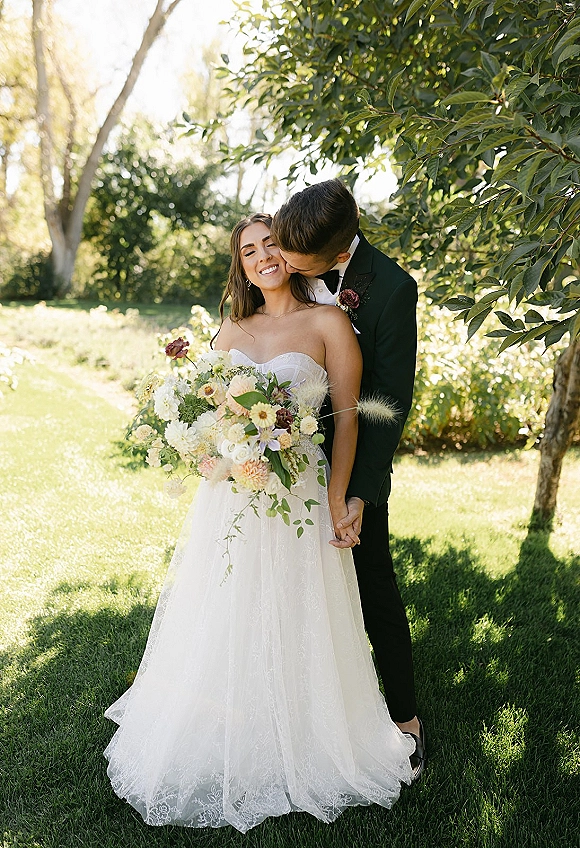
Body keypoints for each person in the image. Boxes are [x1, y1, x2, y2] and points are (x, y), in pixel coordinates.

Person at [104, 212, 414, 832]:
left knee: (302, 610)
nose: (263, 257)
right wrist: (206, 453)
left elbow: (349, 417)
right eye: (249, 251)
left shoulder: (329, 321)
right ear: (240, 266)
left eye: (270, 243)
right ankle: (233, 724)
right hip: (234, 499)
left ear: (292, 252)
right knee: (231, 606)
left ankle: (311, 730)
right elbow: (206, 413)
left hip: (299, 492)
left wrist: (338, 496)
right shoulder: (229, 331)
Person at [271, 179, 425, 780]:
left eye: (296, 264)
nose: (281, 266)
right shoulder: (292, 246)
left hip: (348, 459)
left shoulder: (390, 290)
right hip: (277, 460)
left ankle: (407, 720)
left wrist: (358, 492)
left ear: (340, 257)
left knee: (372, 586)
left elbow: (386, 403)